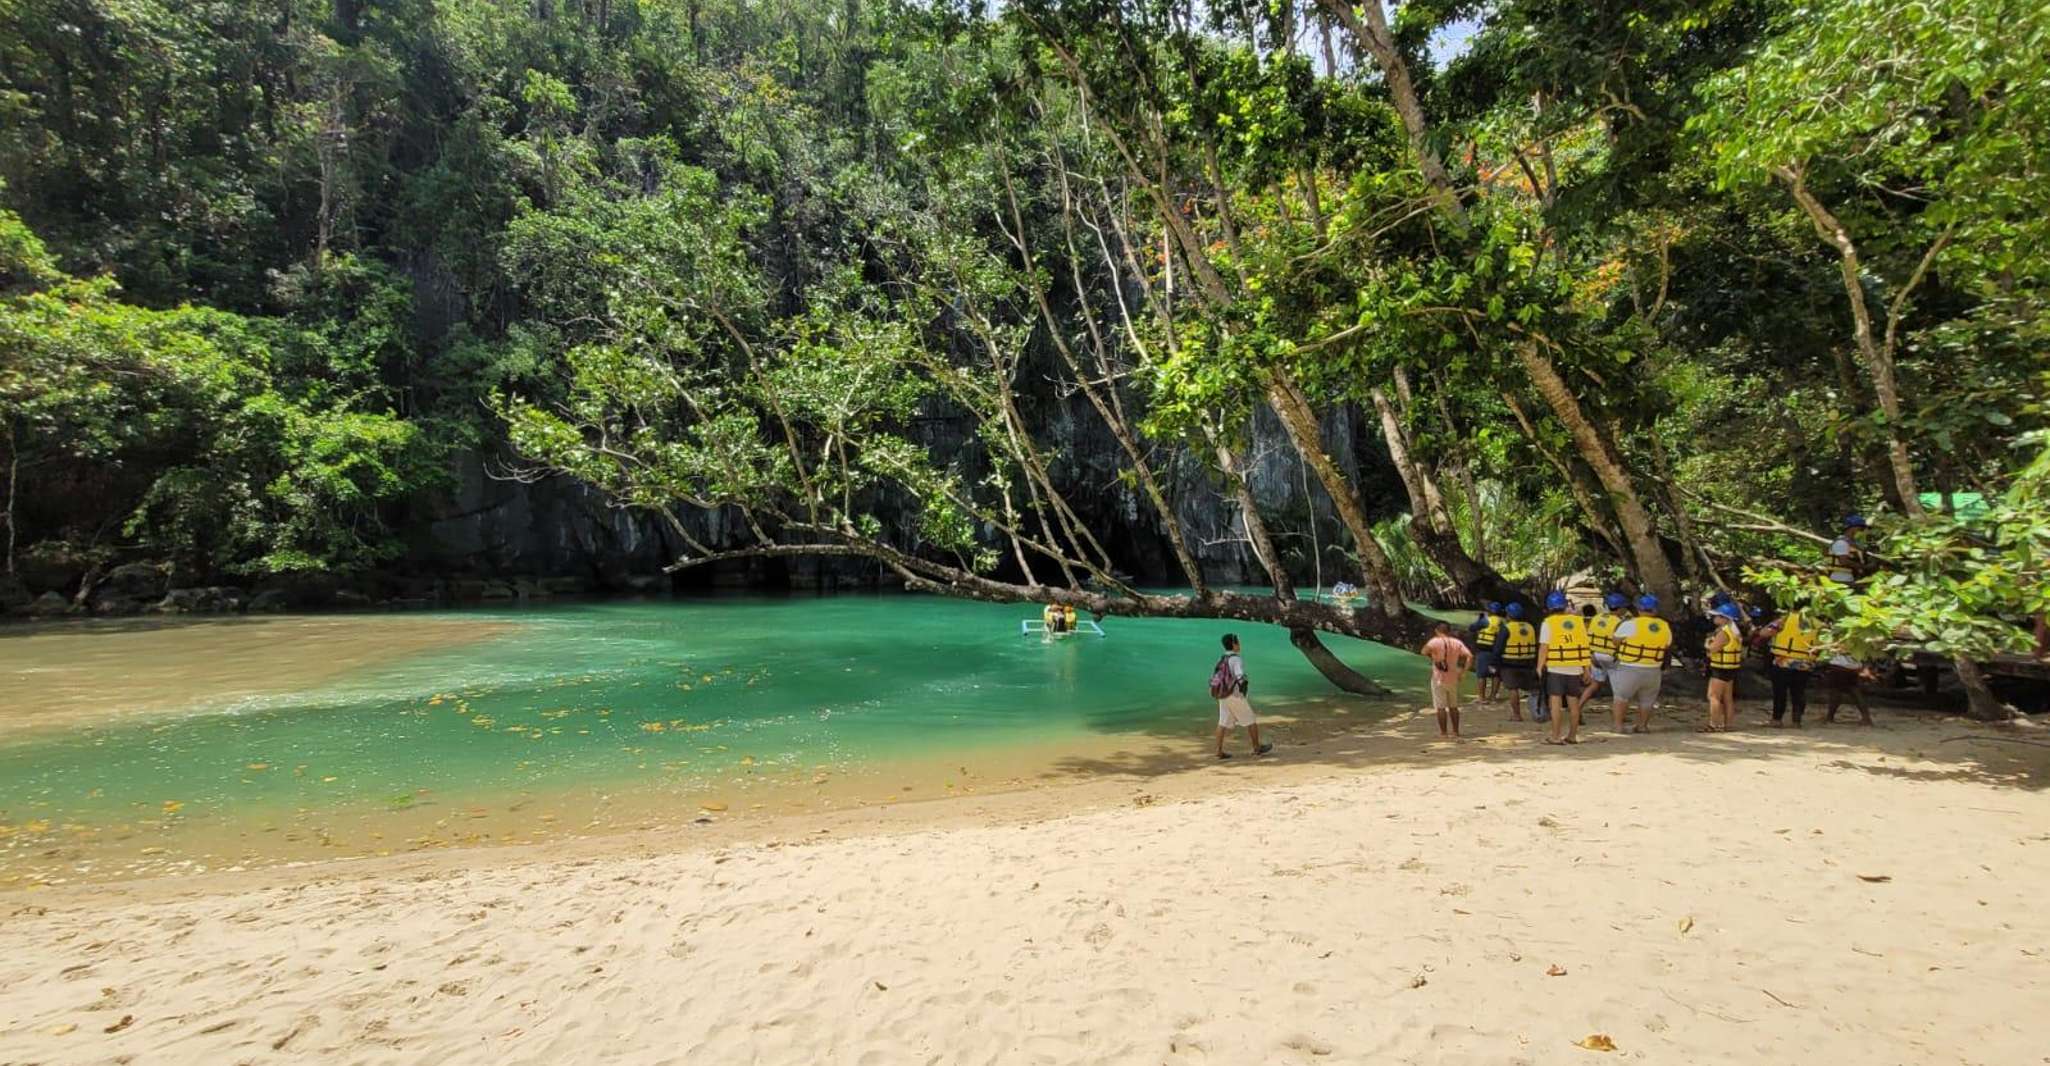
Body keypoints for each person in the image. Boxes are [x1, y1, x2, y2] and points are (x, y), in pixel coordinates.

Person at [1537, 590, 1595, 744]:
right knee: (1573, 702)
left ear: (1549, 607)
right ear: (1564, 605)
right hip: (1575, 667)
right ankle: (1572, 736)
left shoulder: (1548, 623)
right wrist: (1587, 668)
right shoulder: (1578, 622)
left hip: (1556, 667)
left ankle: (1555, 736)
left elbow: (1544, 647)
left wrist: (1539, 666)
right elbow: (1584, 645)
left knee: (1555, 703)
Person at [1609, 594, 1672, 733]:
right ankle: (1642, 726)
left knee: (1621, 697)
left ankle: (1618, 726)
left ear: (1639, 609)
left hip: (1629, 667)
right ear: (1655, 610)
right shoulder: (1664, 626)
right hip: (1653, 668)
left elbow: (1615, 641)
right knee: (1647, 700)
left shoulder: (1630, 624)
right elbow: (1667, 645)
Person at [1212, 633, 1271, 759]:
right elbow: (1240, 676)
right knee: (1251, 720)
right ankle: (1256, 748)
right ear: (1234, 644)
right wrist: (1243, 691)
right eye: (1238, 642)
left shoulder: (1222, 658)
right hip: (1234, 695)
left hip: (1223, 694)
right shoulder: (1236, 659)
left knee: (1222, 722)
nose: (1239, 644)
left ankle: (1218, 750)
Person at [1760, 605, 1819, 727]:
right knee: (1799, 692)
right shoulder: (1816, 622)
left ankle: (1777, 720)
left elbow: (1764, 634)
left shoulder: (1783, 620)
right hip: (1805, 663)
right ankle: (1796, 721)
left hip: (1783, 661)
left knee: (1780, 692)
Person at [1420, 622, 1473, 738]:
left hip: (1439, 678)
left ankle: (1444, 733)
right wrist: (1463, 672)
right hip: (1453, 677)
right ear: (1449, 631)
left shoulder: (1434, 641)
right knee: (1453, 707)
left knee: (1440, 707)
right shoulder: (1457, 642)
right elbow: (1470, 656)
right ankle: (1456, 731)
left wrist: (1434, 657)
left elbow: (1423, 651)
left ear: (1437, 631)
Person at [1492, 602, 1539, 723]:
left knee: (1513, 689)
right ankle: (1540, 712)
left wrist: (1494, 663)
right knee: (1534, 690)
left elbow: (1498, 648)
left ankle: (1517, 715)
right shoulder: (1530, 627)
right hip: (1528, 662)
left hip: (1509, 664)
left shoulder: (1506, 628)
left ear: (1509, 615)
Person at [1703, 602, 1745, 732]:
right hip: (1730, 668)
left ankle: (1713, 724)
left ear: (1725, 618)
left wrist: (1707, 644)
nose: (1714, 618)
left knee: (1713, 696)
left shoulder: (1724, 632)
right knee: (1727, 697)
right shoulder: (1734, 631)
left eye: (1717, 616)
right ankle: (1728, 725)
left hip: (1721, 668)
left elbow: (1713, 649)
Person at [1821, 652, 1876, 725]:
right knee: (1854, 691)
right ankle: (1866, 717)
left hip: (1839, 666)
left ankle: (1830, 717)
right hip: (1852, 668)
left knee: (1836, 692)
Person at [1468, 601, 1504, 701]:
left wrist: (1479, 620)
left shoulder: (1485, 621)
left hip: (1484, 652)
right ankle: (1493, 696)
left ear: (1490, 611)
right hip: (1496, 652)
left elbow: (1471, 628)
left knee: (1481, 674)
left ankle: (1482, 697)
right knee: (1495, 674)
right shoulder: (1502, 623)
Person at [1829, 515, 1869, 584]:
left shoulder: (1851, 543)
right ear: (1853, 528)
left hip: (1850, 579)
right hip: (1841, 580)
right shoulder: (1841, 543)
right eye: (1861, 529)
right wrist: (1864, 567)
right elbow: (1843, 561)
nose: (1862, 531)